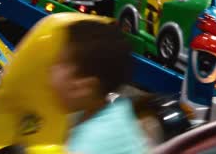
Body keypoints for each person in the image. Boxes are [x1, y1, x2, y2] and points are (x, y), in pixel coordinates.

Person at [50, 20, 148, 154]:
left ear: (84, 86)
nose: (50, 68)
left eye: (60, 63)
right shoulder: (114, 106)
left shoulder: (88, 144)